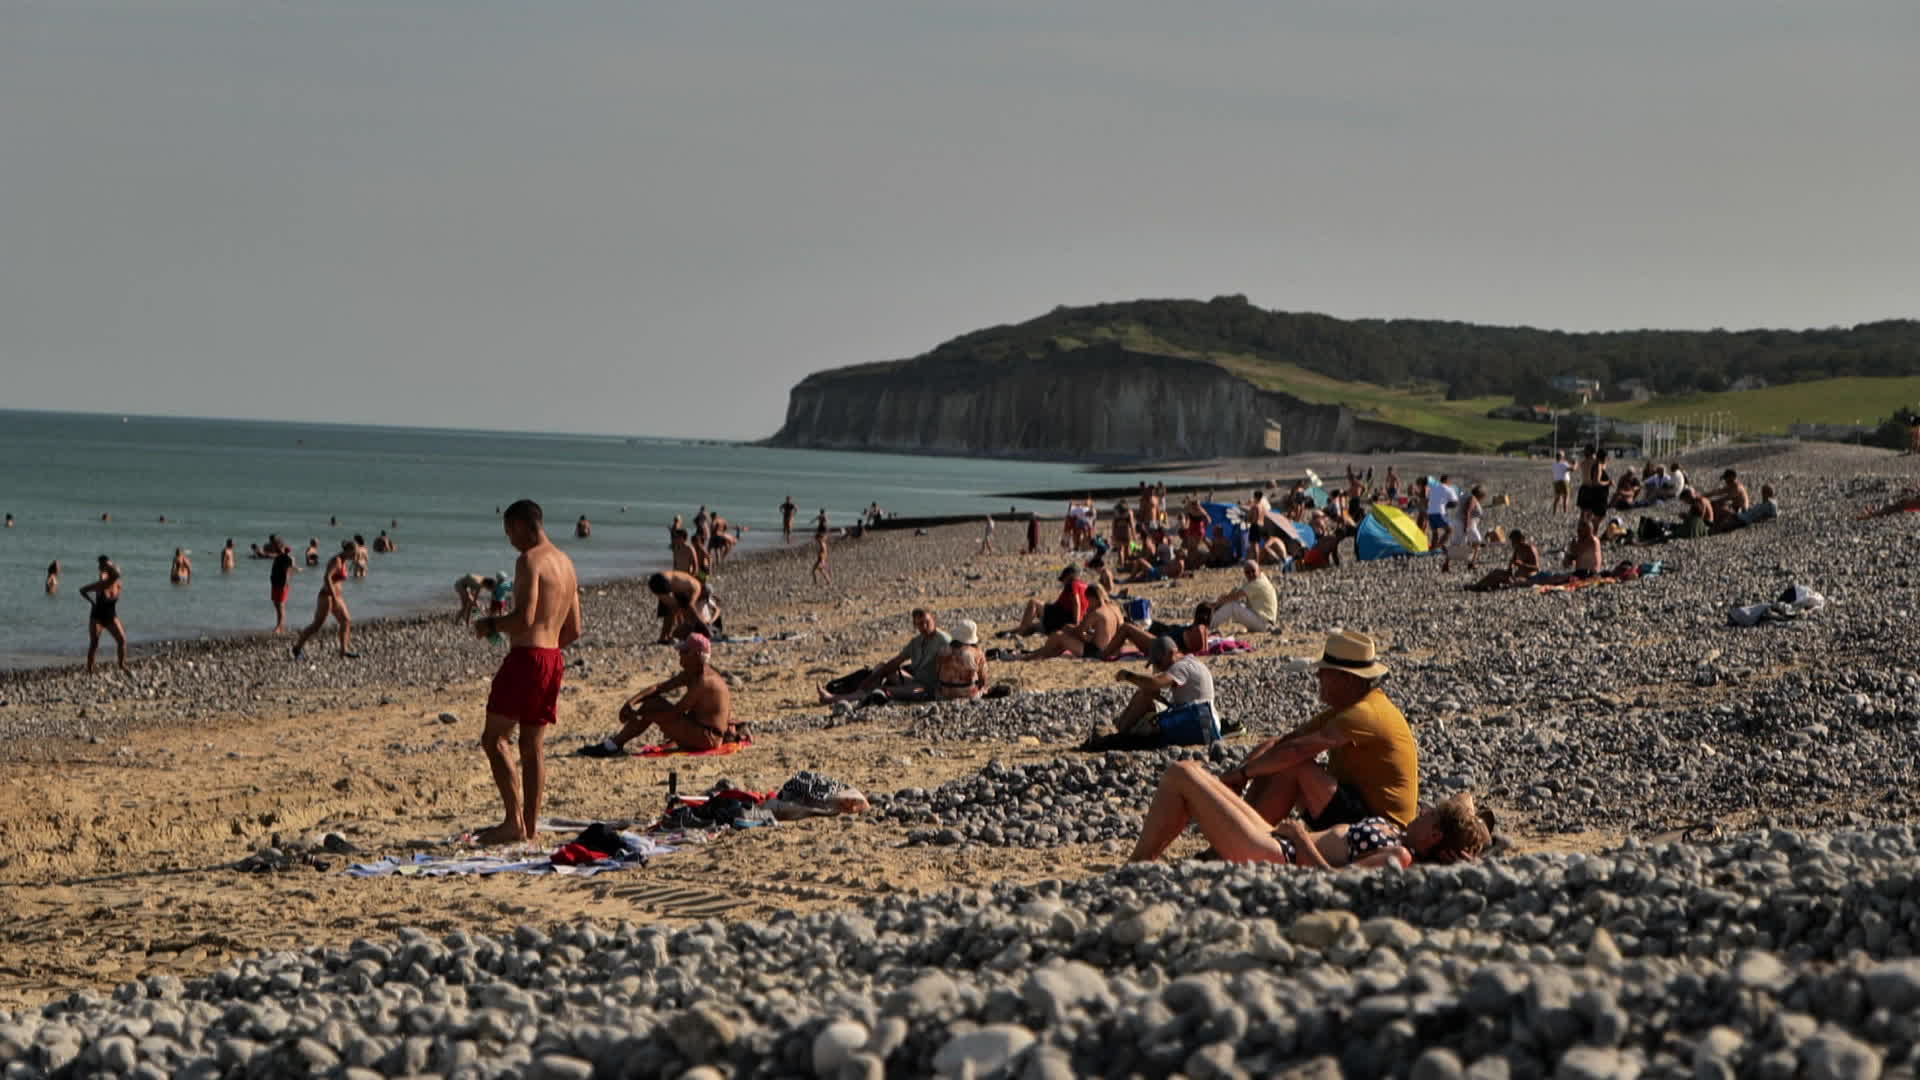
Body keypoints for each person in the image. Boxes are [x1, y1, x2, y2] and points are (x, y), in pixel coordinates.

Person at [1214, 630, 1417, 830]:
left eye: (1326, 671)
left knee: (1294, 765)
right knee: (1275, 749)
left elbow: (1297, 751)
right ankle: (1240, 826)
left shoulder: (1365, 713)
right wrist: (1241, 773)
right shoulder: (1348, 708)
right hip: (1358, 810)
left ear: (1348, 679)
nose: (1318, 675)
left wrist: (1243, 774)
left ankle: (1249, 838)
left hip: (1382, 829)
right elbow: (1285, 742)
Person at [472, 499, 582, 845]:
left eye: (509, 532)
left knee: (494, 738)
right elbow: (574, 630)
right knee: (532, 746)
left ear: (522, 525)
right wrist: (546, 646)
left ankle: (512, 823)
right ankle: (529, 827)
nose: (510, 541)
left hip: (528, 658)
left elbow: (525, 618)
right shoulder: (566, 563)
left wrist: (490, 623)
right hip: (552, 658)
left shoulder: (529, 561)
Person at [1129, 772, 1486, 868]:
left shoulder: (1400, 857)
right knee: (1190, 772)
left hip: (1275, 852)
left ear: (1435, 834)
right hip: (1277, 840)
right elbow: (1468, 811)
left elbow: (1339, 882)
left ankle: (1136, 866)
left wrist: (1301, 838)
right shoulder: (1403, 839)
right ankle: (1143, 865)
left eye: (1431, 815)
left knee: (1181, 776)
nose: (1423, 811)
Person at [578, 634, 734, 757]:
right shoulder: (693, 673)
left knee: (651, 708)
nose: (680, 654)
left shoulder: (704, 681)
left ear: (697, 655)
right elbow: (659, 687)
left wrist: (646, 716)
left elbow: (676, 712)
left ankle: (612, 746)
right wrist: (630, 703)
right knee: (652, 703)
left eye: (685, 651)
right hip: (700, 729)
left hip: (708, 738)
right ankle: (613, 745)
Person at [1081, 636, 1219, 750]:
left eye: (1158, 662)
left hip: (1200, 721)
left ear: (1172, 653)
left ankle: (1121, 734)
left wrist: (1128, 676)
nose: (1158, 667)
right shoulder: (1191, 662)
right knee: (1147, 694)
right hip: (1202, 720)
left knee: (1145, 695)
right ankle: (1122, 730)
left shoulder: (1181, 666)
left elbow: (1154, 683)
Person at [818, 608, 950, 705]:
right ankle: (858, 692)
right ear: (915, 625)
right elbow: (897, 661)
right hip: (916, 680)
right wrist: (873, 677)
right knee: (882, 668)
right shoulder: (916, 642)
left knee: (880, 690)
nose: (924, 627)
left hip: (928, 689)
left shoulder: (943, 641)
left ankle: (834, 699)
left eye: (927, 622)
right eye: (920, 624)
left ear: (934, 620)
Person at [292, 540, 358, 659]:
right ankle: (297, 648)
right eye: (354, 553)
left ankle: (344, 651)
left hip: (337, 596)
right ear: (347, 551)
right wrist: (334, 598)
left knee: (346, 621)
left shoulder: (344, 561)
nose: (355, 556)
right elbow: (327, 577)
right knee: (317, 625)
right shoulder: (336, 560)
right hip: (327, 596)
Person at [1021, 584, 1121, 660]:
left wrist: (1069, 628)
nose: (1088, 604)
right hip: (1113, 649)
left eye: (1088, 601)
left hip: (1096, 652)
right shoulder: (1115, 608)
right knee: (1063, 636)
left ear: (1093, 598)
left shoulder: (1097, 613)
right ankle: (1041, 653)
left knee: (1058, 635)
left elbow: (1079, 632)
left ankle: (1036, 656)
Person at [80, 556, 128, 674]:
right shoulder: (102, 583)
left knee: (122, 640)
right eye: (108, 568)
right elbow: (82, 590)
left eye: (111, 568)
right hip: (97, 616)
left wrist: (109, 566)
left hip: (111, 616)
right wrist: (92, 602)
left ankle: (122, 665)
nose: (113, 570)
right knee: (94, 643)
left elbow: (116, 571)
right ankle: (90, 669)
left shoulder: (118, 584)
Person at [1011, 565, 1088, 636]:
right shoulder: (1085, 586)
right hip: (1067, 618)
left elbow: (1076, 603)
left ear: (1069, 575)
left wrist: (1076, 623)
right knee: (1035, 626)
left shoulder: (1072, 584)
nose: (1063, 583)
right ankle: (1010, 633)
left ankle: (1020, 633)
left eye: (1063, 579)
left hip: (1062, 617)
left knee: (1033, 602)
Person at [648, 570, 716, 643]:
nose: (701, 598)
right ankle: (672, 635)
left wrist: (682, 622)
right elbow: (691, 605)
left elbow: (682, 608)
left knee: (670, 612)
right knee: (674, 609)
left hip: (656, 579)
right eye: (704, 596)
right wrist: (703, 625)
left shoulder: (685, 585)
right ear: (704, 591)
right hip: (663, 581)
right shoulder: (697, 587)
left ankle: (663, 638)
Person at [1212, 559, 1279, 633]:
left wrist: (1215, 604)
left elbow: (1234, 597)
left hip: (1263, 623)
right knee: (1233, 602)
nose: (1250, 574)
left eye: (1253, 571)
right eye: (1247, 572)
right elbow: (1236, 593)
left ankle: (1208, 624)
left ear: (1259, 570)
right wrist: (1224, 599)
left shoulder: (1257, 583)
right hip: (1263, 621)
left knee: (1233, 606)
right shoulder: (1261, 578)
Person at [1468, 530, 1541, 591]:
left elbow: (1537, 568)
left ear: (1520, 539)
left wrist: (1522, 565)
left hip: (1530, 577)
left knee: (1512, 580)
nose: (1512, 544)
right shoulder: (1517, 548)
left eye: (1514, 541)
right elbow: (1511, 564)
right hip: (1518, 575)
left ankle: (1482, 587)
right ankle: (1477, 586)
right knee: (1496, 573)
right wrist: (1510, 569)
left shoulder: (1530, 549)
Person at [936, 619, 989, 701]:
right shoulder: (977, 653)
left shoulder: (942, 650)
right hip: (969, 694)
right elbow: (983, 678)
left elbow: (937, 672)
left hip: (944, 694)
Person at [1442, 485, 1486, 574]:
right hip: (1465, 524)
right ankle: (1470, 563)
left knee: (1460, 543)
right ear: (1480, 495)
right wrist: (1466, 526)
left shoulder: (1466, 495)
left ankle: (1470, 563)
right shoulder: (1472, 498)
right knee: (1475, 542)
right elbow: (1467, 511)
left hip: (1462, 523)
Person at [1576, 446, 1611, 525]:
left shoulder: (1583, 462)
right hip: (1590, 489)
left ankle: (1582, 529)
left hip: (1583, 488)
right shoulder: (1596, 463)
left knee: (1583, 513)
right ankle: (1588, 530)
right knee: (1590, 513)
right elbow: (1602, 467)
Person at [269, 546, 297, 632]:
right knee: (278, 605)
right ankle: (280, 626)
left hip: (281, 585)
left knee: (280, 605)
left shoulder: (288, 559)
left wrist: (285, 584)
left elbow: (288, 572)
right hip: (276, 583)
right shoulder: (278, 558)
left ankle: (279, 627)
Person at [1425, 474, 1457, 550]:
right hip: (1440, 512)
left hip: (1430, 512)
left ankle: (1433, 547)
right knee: (1449, 530)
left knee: (1435, 532)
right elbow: (1455, 503)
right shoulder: (1449, 489)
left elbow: (1428, 499)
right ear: (1447, 481)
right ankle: (1438, 547)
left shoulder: (1433, 488)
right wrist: (1446, 505)